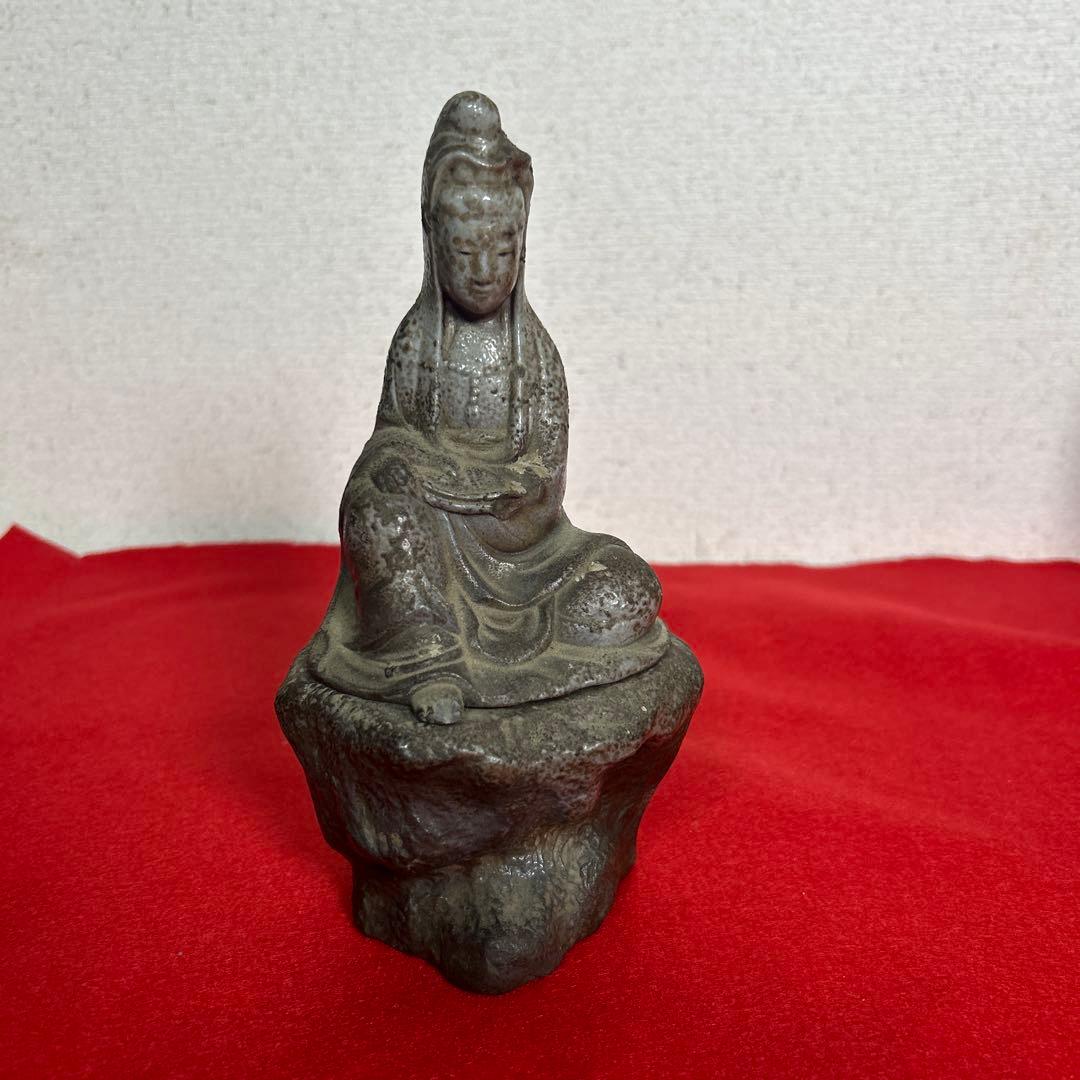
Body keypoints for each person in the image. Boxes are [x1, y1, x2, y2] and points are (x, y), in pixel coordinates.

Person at [309, 92, 668, 724]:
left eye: (500, 254)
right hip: (435, 539)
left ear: (521, 249)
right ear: (436, 246)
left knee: (629, 585)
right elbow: (388, 445)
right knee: (376, 516)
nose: (483, 272)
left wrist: (505, 487)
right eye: (465, 253)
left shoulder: (537, 354)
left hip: (526, 555)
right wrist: (405, 471)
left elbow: (546, 478)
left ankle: (509, 652)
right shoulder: (416, 343)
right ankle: (428, 658)